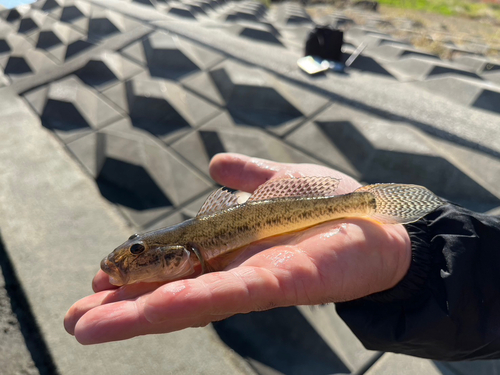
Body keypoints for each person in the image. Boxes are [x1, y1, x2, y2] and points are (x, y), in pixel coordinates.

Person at [64, 153, 500, 361]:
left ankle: (373, 207)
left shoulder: (191, 248)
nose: (132, 262)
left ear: (176, 255)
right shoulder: (189, 250)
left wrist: (402, 248)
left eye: (140, 254)